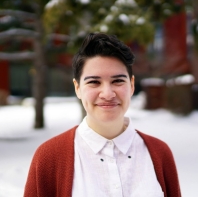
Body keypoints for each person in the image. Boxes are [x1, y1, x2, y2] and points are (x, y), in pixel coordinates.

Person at [24, 33, 181, 197]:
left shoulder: (159, 153)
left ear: (132, 85)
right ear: (78, 88)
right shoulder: (50, 157)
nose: (107, 93)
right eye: (94, 82)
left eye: (117, 81)